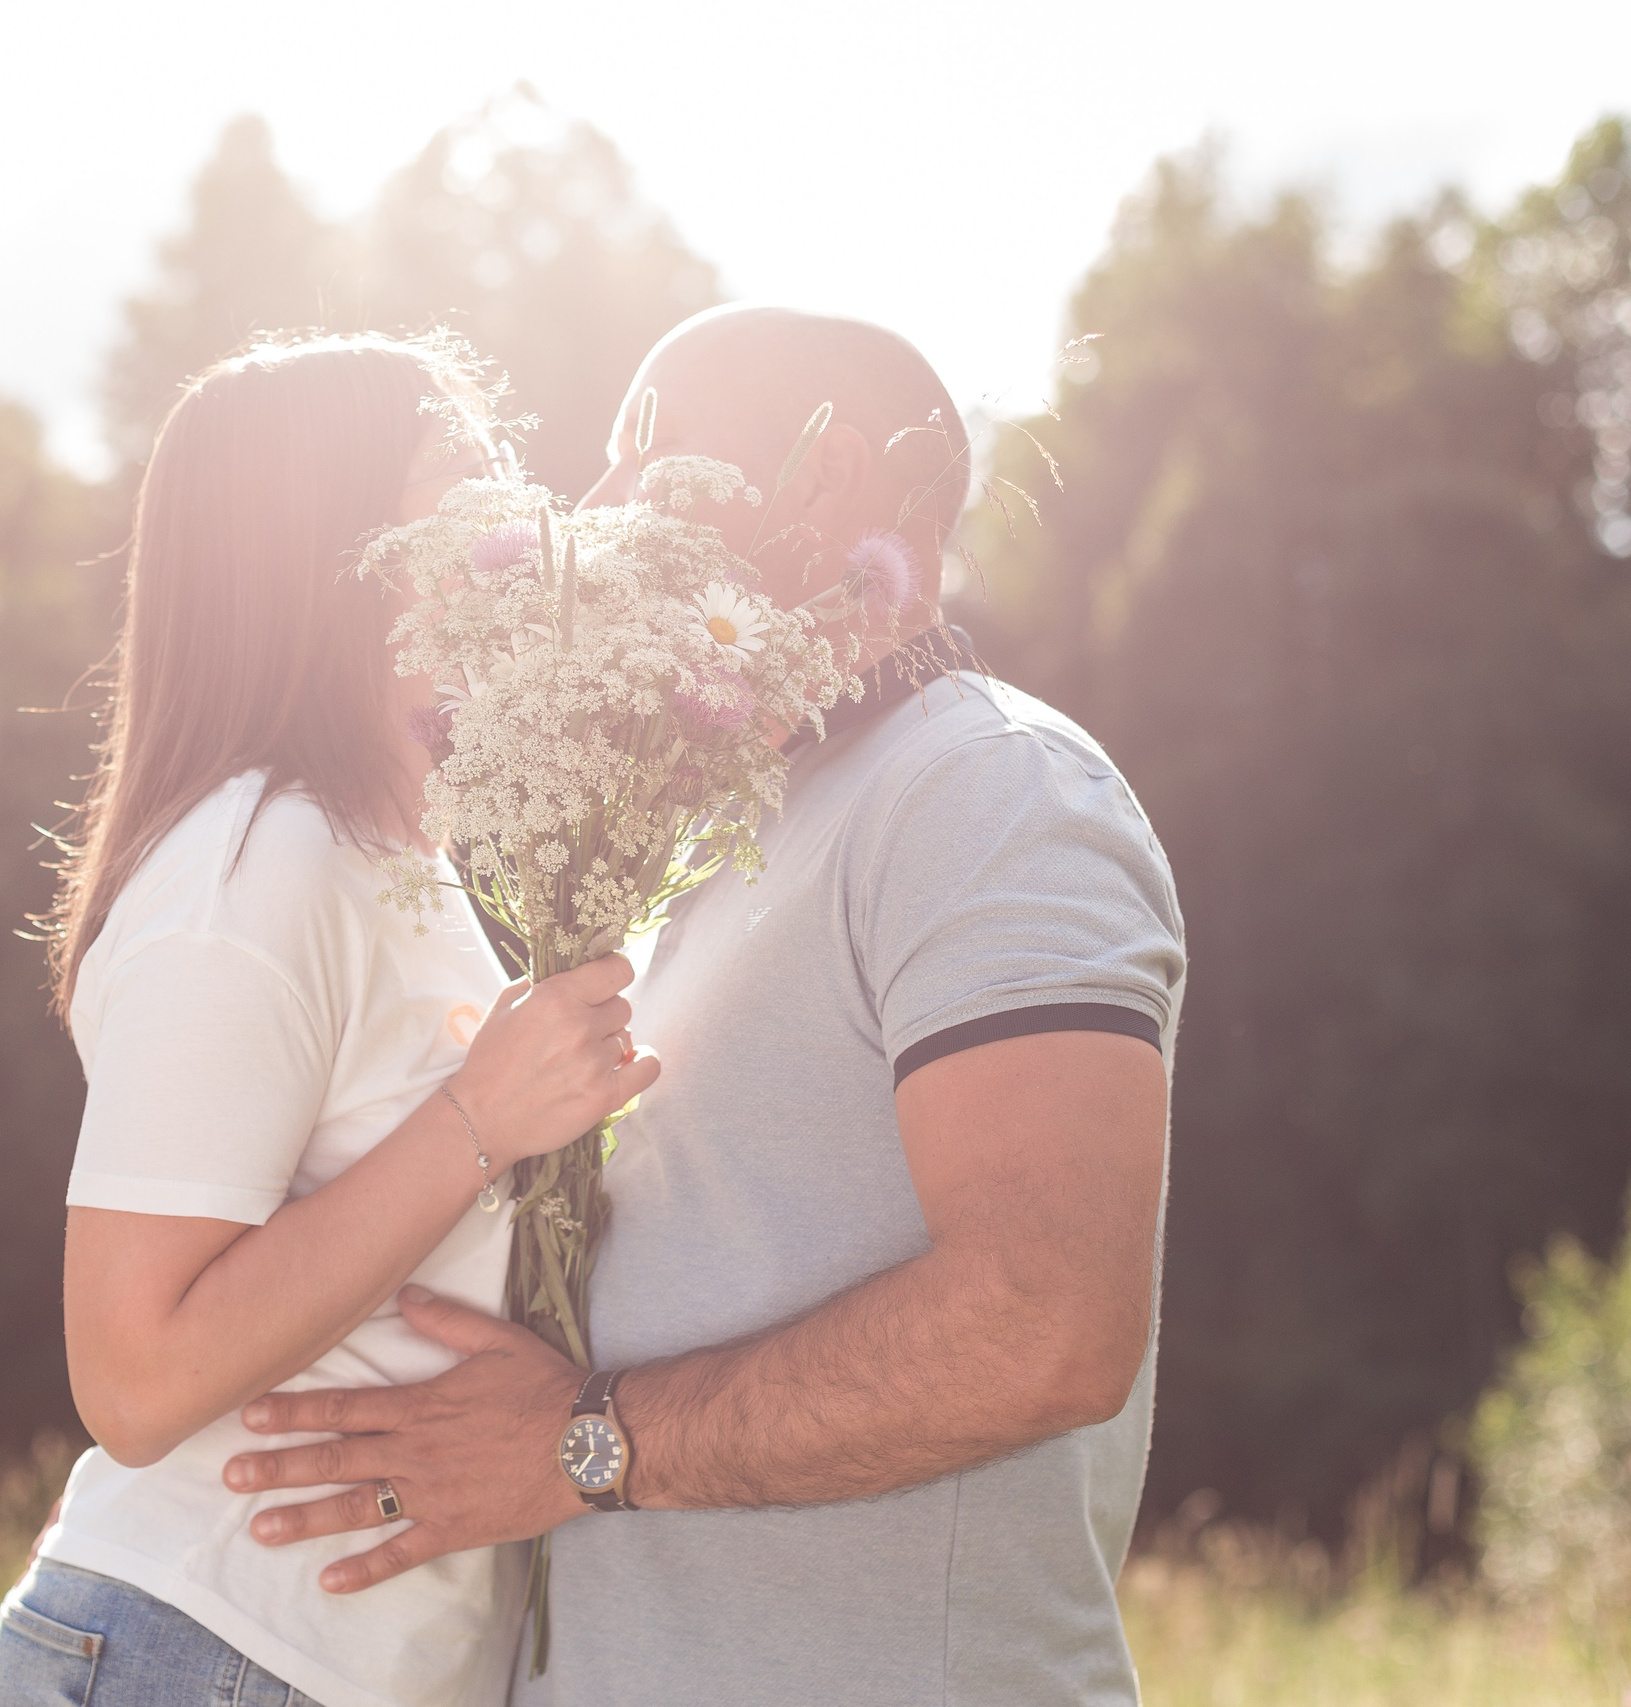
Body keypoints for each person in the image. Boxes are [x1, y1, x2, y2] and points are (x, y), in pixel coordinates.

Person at [222, 306, 1189, 1705]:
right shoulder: (718, 836)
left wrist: (576, 1447)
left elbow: (1047, 1320)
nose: (600, 510)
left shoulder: (994, 793)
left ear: (819, 474)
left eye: (646, 450)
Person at [0, 333, 659, 1707]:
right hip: (210, 1646)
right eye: (457, 483)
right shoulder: (256, 865)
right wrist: (478, 1118)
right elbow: (134, 1373)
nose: (515, 520)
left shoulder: (404, 859)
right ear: (337, 547)